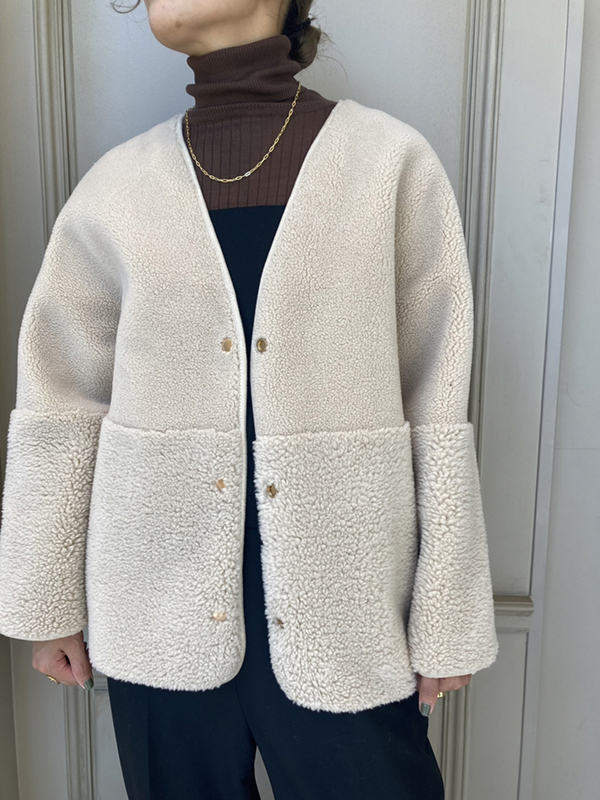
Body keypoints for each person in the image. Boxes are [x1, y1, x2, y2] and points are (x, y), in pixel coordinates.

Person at [0, 1, 499, 797]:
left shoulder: (388, 165)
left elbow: (437, 403)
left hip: (347, 615)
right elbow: (60, 407)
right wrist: (48, 600)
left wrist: (445, 614)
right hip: (156, 613)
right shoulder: (115, 190)